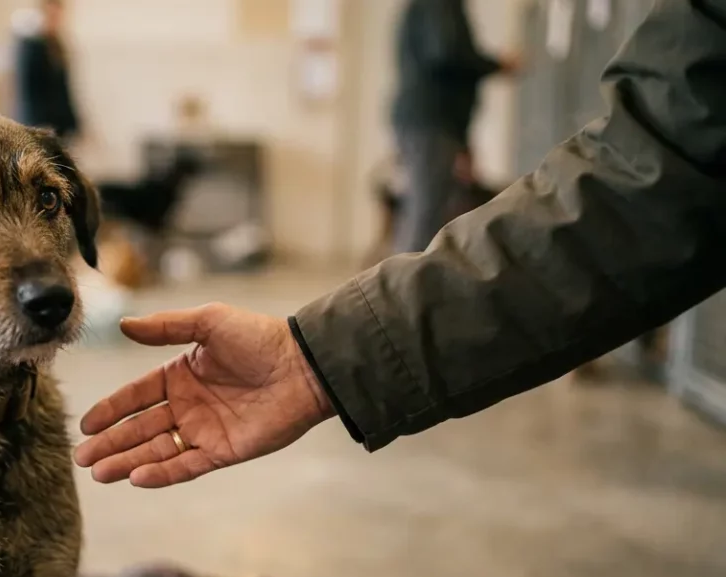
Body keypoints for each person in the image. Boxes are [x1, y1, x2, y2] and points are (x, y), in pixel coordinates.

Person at [74, 0, 726, 489]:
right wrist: (319, 359)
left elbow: (644, 175)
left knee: (420, 214)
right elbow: (646, 177)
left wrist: (324, 357)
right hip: (433, 125)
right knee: (420, 220)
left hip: (430, 125)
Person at [390, 0, 517, 254]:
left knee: (429, 208)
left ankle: (409, 285)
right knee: (426, 212)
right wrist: (498, 65)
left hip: (433, 122)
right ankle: (404, 291)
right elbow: (446, 52)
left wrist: (462, 140)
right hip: (431, 121)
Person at [10, 0, 80, 140]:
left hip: (59, 123)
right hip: (37, 123)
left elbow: (63, 89)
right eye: (51, 15)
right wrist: (35, 125)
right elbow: (26, 90)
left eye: (58, 16)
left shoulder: (57, 45)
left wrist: (73, 122)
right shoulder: (30, 46)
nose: (55, 20)